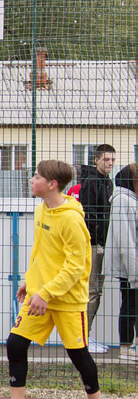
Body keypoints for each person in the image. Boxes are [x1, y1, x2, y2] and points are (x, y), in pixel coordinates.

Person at [0, 159, 109, 399]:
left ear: (52, 184)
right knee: (15, 343)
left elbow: (76, 267)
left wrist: (47, 292)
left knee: (78, 354)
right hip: (40, 295)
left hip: (66, 300)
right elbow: (41, 252)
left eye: (37, 176)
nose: (31, 179)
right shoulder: (41, 209)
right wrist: (32, 280)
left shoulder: (72, 219)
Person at [79, 143, 116, 353]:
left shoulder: (106, 181)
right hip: (93, 243)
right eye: (106, 160)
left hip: (100, 242)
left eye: (112, 160)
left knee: (95, 291)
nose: (110, 163)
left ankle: (85, 336)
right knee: (92, 291)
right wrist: (97, 238)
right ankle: (83, 338)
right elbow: (89, 212)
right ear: (96, 160)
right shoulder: (93, 181)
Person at [104, 163, 138, 362]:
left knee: (132, 305)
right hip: (129, 265)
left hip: (132, 262)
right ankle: (125, 348)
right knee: (129, 306)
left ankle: (131, 346)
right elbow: (125, 239)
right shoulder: (122, 200)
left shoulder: (129, 199)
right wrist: (134, 271)